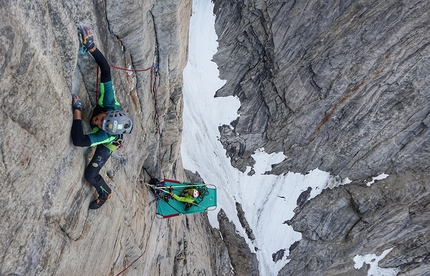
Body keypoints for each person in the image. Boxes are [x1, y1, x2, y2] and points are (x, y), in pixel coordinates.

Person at [71, 24, 133, 209]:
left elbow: (79, 141)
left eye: (99, 123)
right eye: (100, 119)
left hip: (109, 144)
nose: (95, 121)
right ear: (108, 112)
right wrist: (92, 47)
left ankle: (104, 193)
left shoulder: (105, 135)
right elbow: (106, 70)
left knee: (90, 175)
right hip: (115, 129)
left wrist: (78, 110)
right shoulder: (109, 102)